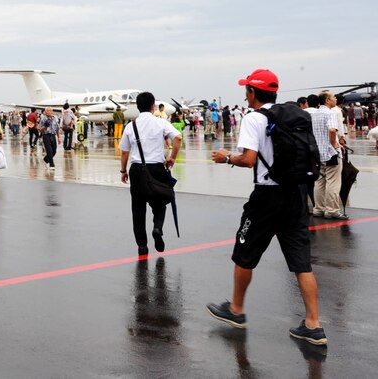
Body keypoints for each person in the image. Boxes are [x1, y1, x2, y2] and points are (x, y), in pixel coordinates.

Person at [208, 69, 326, 346]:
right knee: (301, 262)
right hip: (296, 194)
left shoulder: (254, 118)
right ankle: (313, 324)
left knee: (244, 251)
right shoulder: (296, 115)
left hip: (267, 196)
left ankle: (236, 309)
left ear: (253, 93)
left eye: (247, 90)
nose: (245, 95)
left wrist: (226, 158)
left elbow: (249, 160)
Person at [119, 92, 181, 255]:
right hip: (156, 168)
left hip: (137, 170)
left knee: (138, 208)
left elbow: (124, 152)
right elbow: (178, 138)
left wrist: (123, 170)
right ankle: (157, 228)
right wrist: (172, 157)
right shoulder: (160, 122)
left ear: (138, 107)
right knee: (159, 201)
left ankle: (142, 245)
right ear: (153, 106)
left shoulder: (130, 126)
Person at [311, 92, 345, 219]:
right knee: (333, 182)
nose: (335, 99)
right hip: (330, 153)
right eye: (333, 97)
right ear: (327, 100)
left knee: (319, 182)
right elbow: (332, 130)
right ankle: (331, 210)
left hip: (318, 153)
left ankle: (318, 209)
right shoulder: (330, 113)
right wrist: (335, 144)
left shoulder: (314, 113)